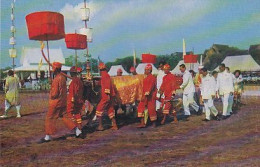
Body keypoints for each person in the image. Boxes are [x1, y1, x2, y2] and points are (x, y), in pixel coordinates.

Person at [41, 62, 82, 143]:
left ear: (56, 69)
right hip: (63, 101)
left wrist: (51, 89)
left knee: (50, 118)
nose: (52, 70)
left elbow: (55, 93)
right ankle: (77, 131)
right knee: (65, 117)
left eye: (53, 68)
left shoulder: (57, 79)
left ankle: (47, 137)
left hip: (56, 102)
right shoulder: (62, 77)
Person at [96, 63, 118, 131]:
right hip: (108, 96)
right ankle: (115, 125)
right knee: (110, 110)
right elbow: (102, 83)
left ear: (101, 69)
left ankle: (100, 126)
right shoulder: (105, 75)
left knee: (98, 109)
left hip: (106, 96)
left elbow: (107, 85)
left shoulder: (105, 75)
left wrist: (107, 95)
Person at [67, 66, 84, 131]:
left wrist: (71, 101)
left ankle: (77, 130)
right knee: (77, 113)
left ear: (72, 73)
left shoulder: (73, 82)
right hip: (80, 100)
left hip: (74, 100)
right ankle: (80, 127)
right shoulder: (79, 81)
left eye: (71, 73)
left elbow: (72, 93)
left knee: (69, 113)